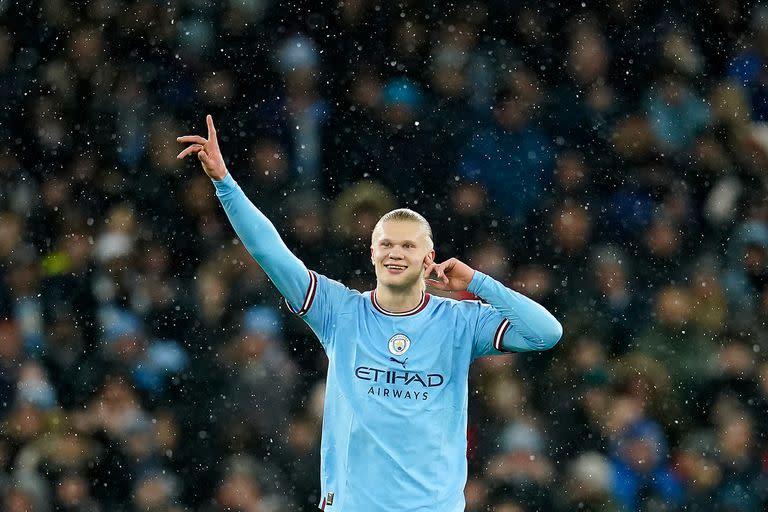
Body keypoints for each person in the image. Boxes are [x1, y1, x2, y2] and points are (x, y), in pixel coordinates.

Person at [177, 115, 563, 512]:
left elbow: (545, 333)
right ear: (373, 253)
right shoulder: (339, 311)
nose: (396, 253)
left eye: (408, 246)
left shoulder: (460, 321)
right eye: (387, 245)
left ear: (428, 257)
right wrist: (225, 183)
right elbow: (270, 254)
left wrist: (478, 282)